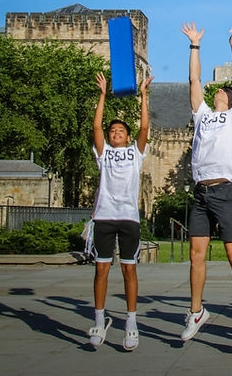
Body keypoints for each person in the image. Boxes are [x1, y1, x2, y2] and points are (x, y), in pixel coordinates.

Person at [180, 21, 232, 346]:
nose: (220, 93)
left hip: (227, 190)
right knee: (196, 254)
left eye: (224, 91)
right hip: (201, 192)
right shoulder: (202, 115)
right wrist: (195, 45)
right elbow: (194, 79)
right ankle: (197, 311)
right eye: (219, 91)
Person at [87, 71, 153, 351]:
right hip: (104, 216)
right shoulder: (103, 153)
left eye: (120, 131)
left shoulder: (135, 153)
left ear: (127, 137)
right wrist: (102, 95)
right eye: (113, 131)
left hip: (128, 218)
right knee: (101, 269)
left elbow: (145, 129)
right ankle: (99, 320)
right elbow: (97, 128)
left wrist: (143, 95)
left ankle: (131, 322)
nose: (115, 133)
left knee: (129, 271)